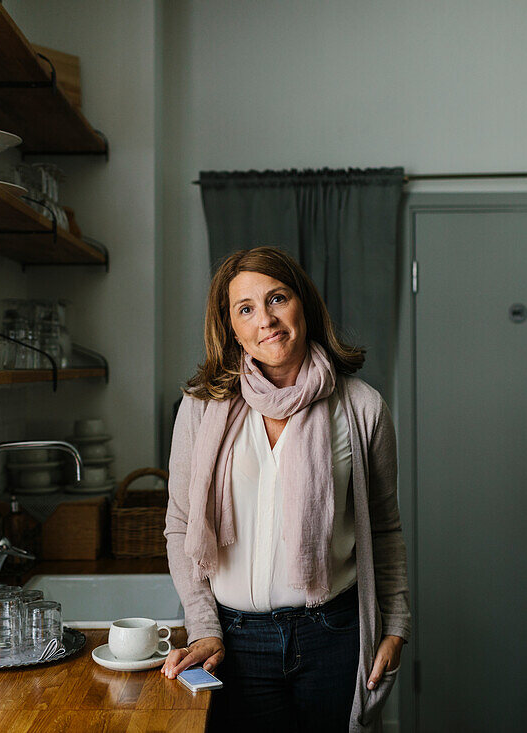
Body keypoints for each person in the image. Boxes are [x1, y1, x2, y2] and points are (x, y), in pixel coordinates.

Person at [161, 246, 411, 732]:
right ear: (230, 327)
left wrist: (397, 625)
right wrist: (204, 627)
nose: (266, 320)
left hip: (334, 634)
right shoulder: (200, 408)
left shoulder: (362, 408)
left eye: (277, 298)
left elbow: (384, 529)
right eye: (246, 309)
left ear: (304, 305)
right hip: (234, 641)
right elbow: (180, 526)